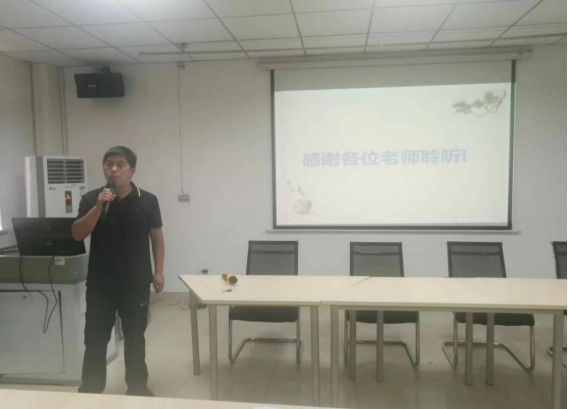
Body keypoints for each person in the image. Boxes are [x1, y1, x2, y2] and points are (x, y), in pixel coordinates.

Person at [72, 146, 165, 397]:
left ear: (132, 170)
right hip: (100, 283)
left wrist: (159, 272)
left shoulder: (147, 200)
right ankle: (91, 389)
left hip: (135, 282)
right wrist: (98, 207)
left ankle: (137, 388)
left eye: (120, 165)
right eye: (108, 164)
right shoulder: (91, 198)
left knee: (135, 337)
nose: (113, 169)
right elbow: (78, 234)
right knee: (95, 338)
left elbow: (157, 237)